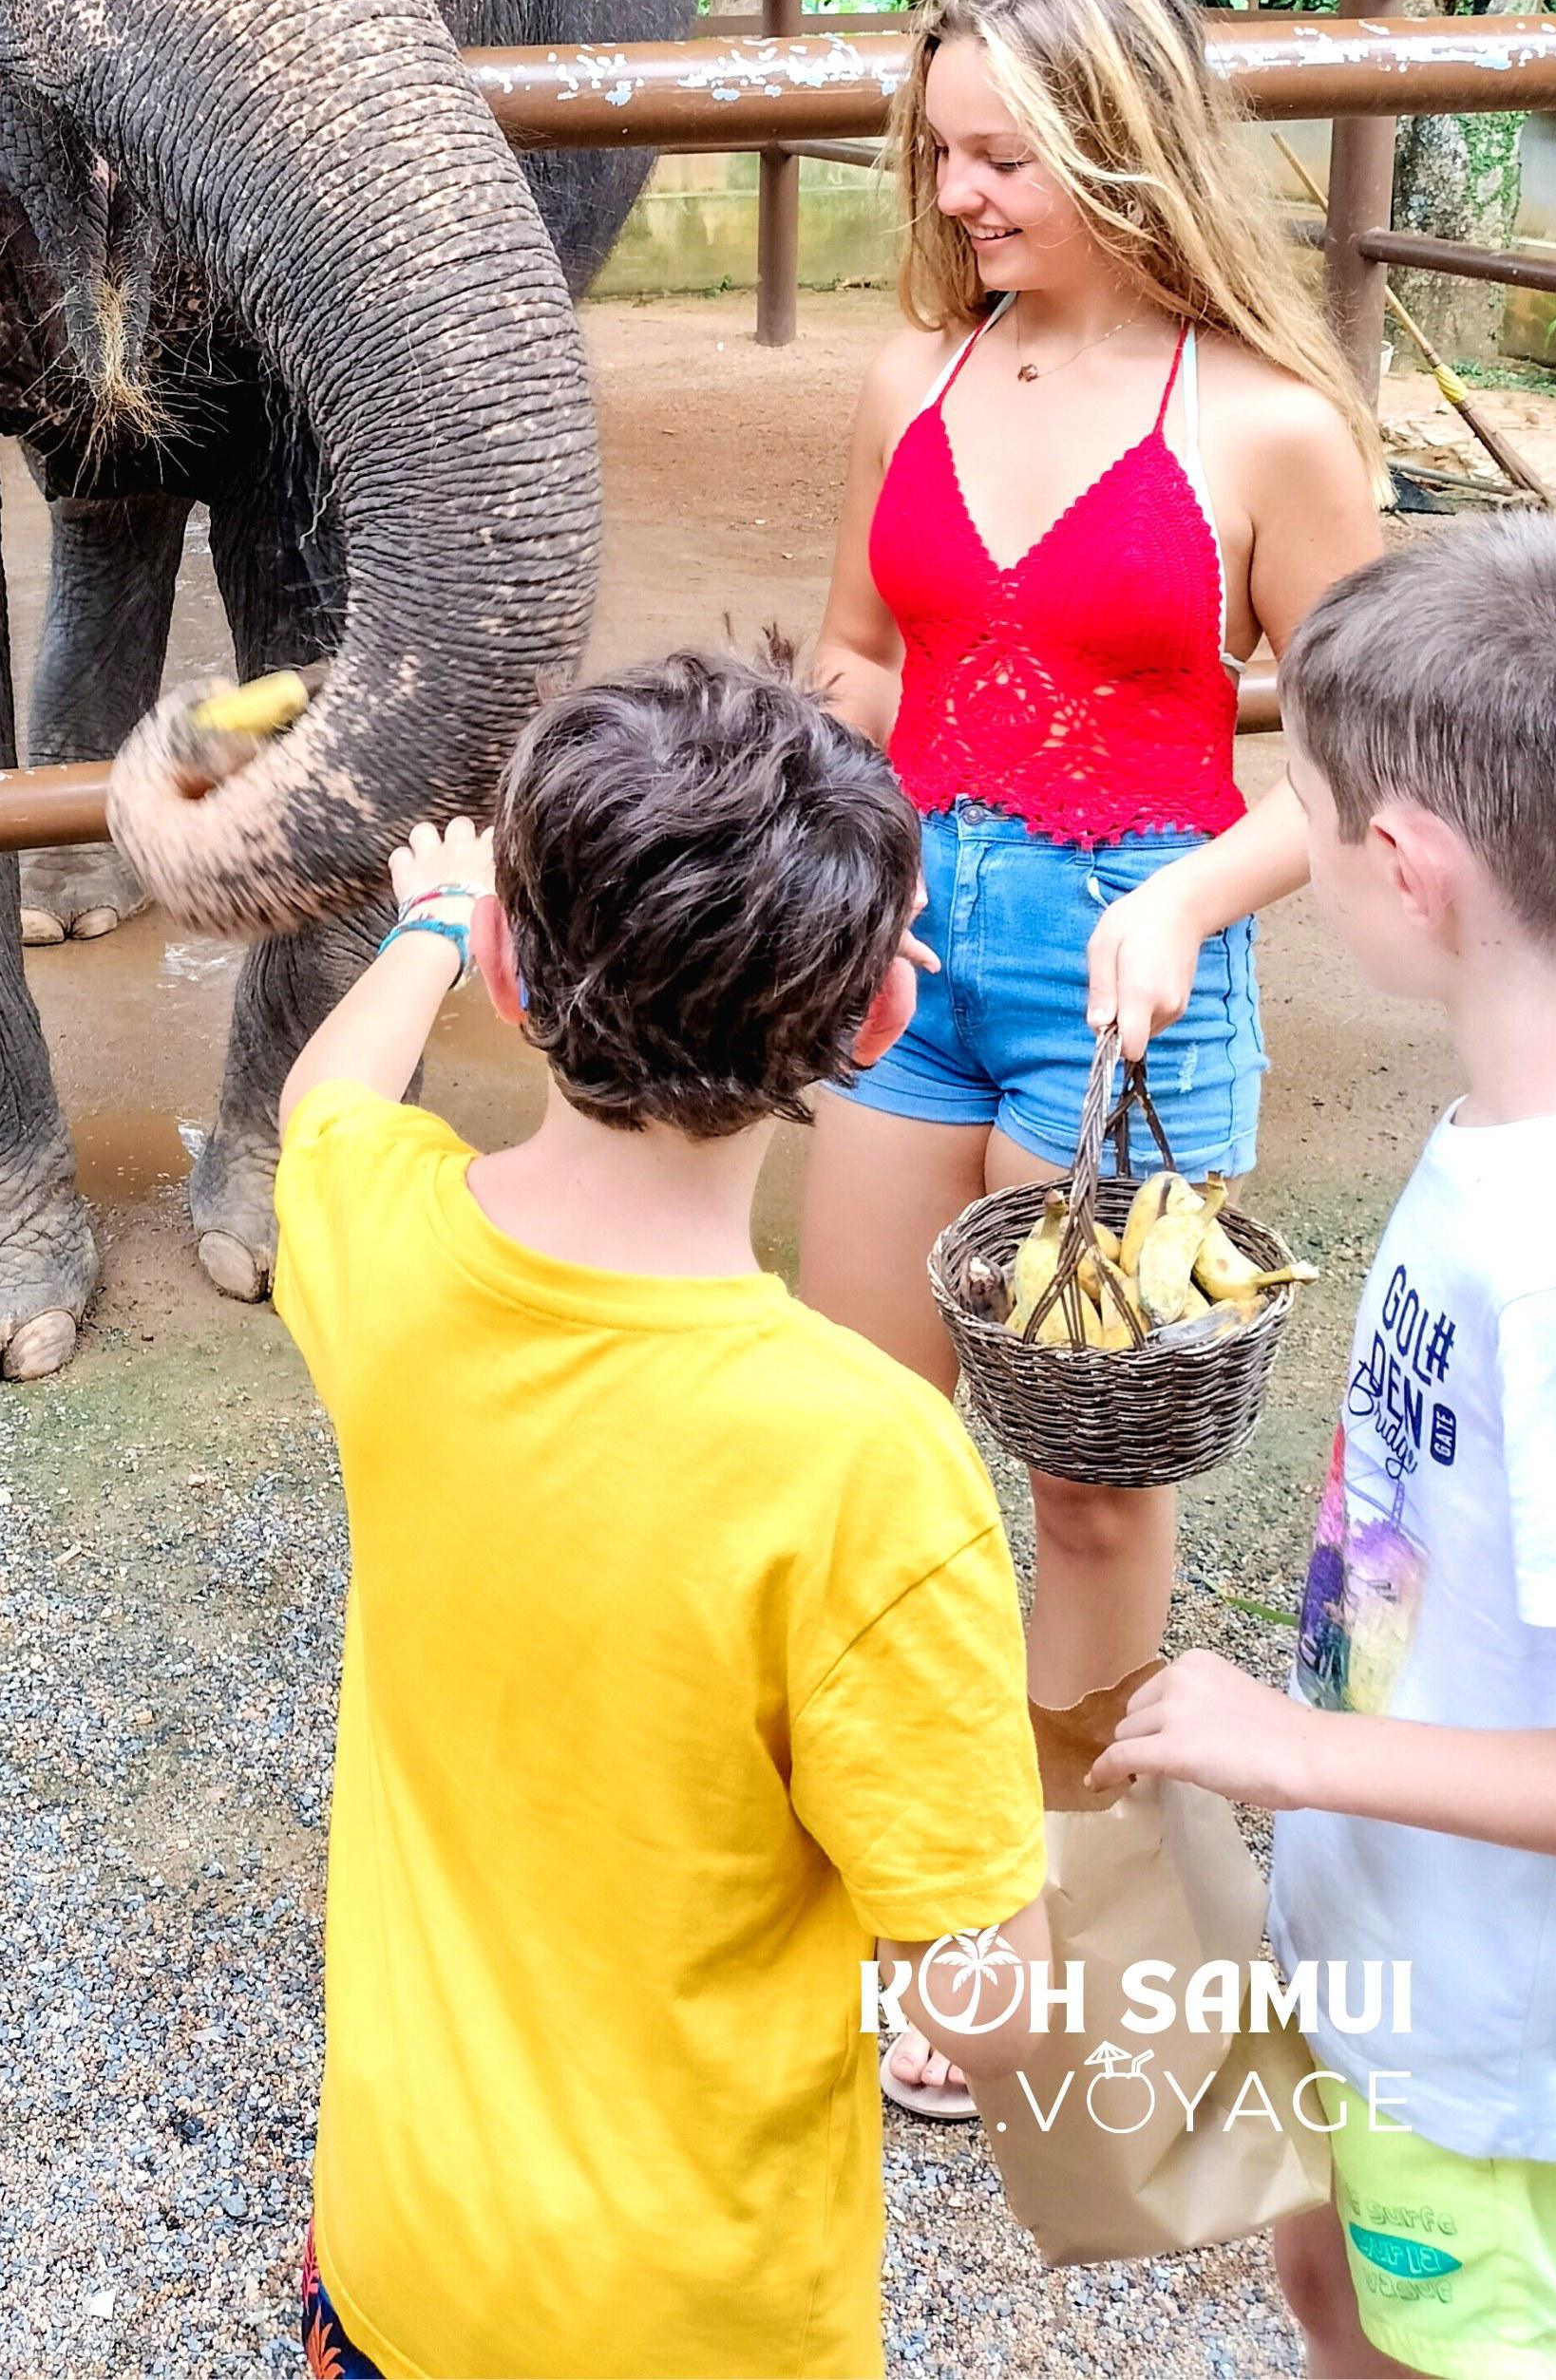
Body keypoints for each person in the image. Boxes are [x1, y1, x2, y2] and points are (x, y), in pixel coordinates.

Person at [269, 652, 1052, 2380]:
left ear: (504, 975)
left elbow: (322, 1107)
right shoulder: (865, 1465)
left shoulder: (384, 1247)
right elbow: (979, 2005)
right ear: (875, 1021)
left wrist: (423, 923)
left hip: (401, 2252)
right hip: (693, 2321)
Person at [803, 0, 1379, 2109]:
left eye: (997, 152)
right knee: (857, 1447)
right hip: (908, 975)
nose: (953, 192)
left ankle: (1051, 1911)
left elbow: (1354, 766)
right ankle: (907, 1868)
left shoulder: (1270, 424)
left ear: (1121, 140)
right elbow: (865, 662)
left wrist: (1193, 889)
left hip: (1134, 1006)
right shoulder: (908, 384)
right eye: (937, 148)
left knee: (1090, 1495)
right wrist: (792, 810)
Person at [1095, 516, 1556, 2380]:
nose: (1289, 836)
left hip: (1493, 2022)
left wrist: (1298, 1744)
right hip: (1388, 1918)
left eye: (1306, 810)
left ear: (1405, 870)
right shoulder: (1525, 1124)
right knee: (1334, 2289)